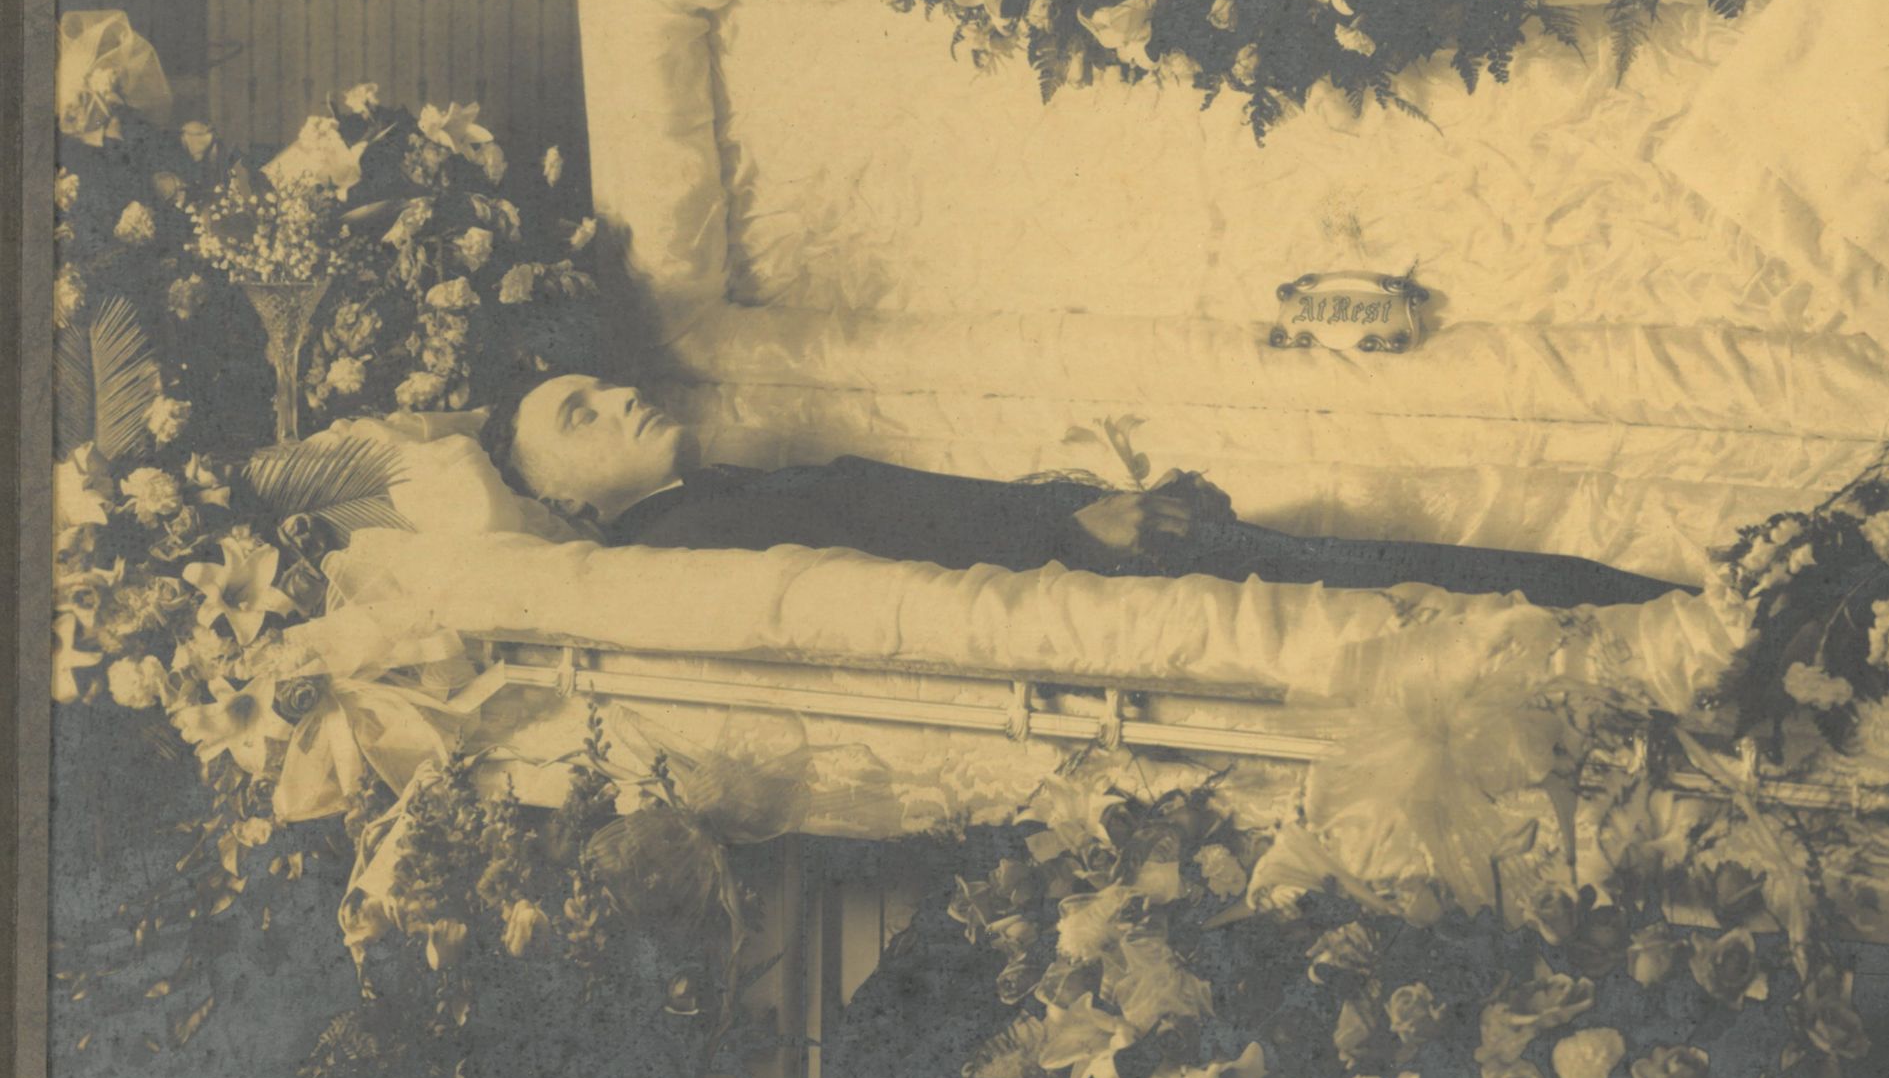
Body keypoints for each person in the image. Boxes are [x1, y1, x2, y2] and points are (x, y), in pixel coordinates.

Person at [481, 372, 1680, 610]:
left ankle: (1663, 601)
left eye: (602, 383)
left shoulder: (716, 498)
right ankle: (1666, 608)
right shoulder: (688, 542)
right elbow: (899, 580)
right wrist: (1076, 530)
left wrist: (1083, 511)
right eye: (580, 416)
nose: (617, 395)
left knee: (1398, 567)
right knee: (1409, 576)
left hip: (1078, 543)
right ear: (570, 506)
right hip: (1077, 572)